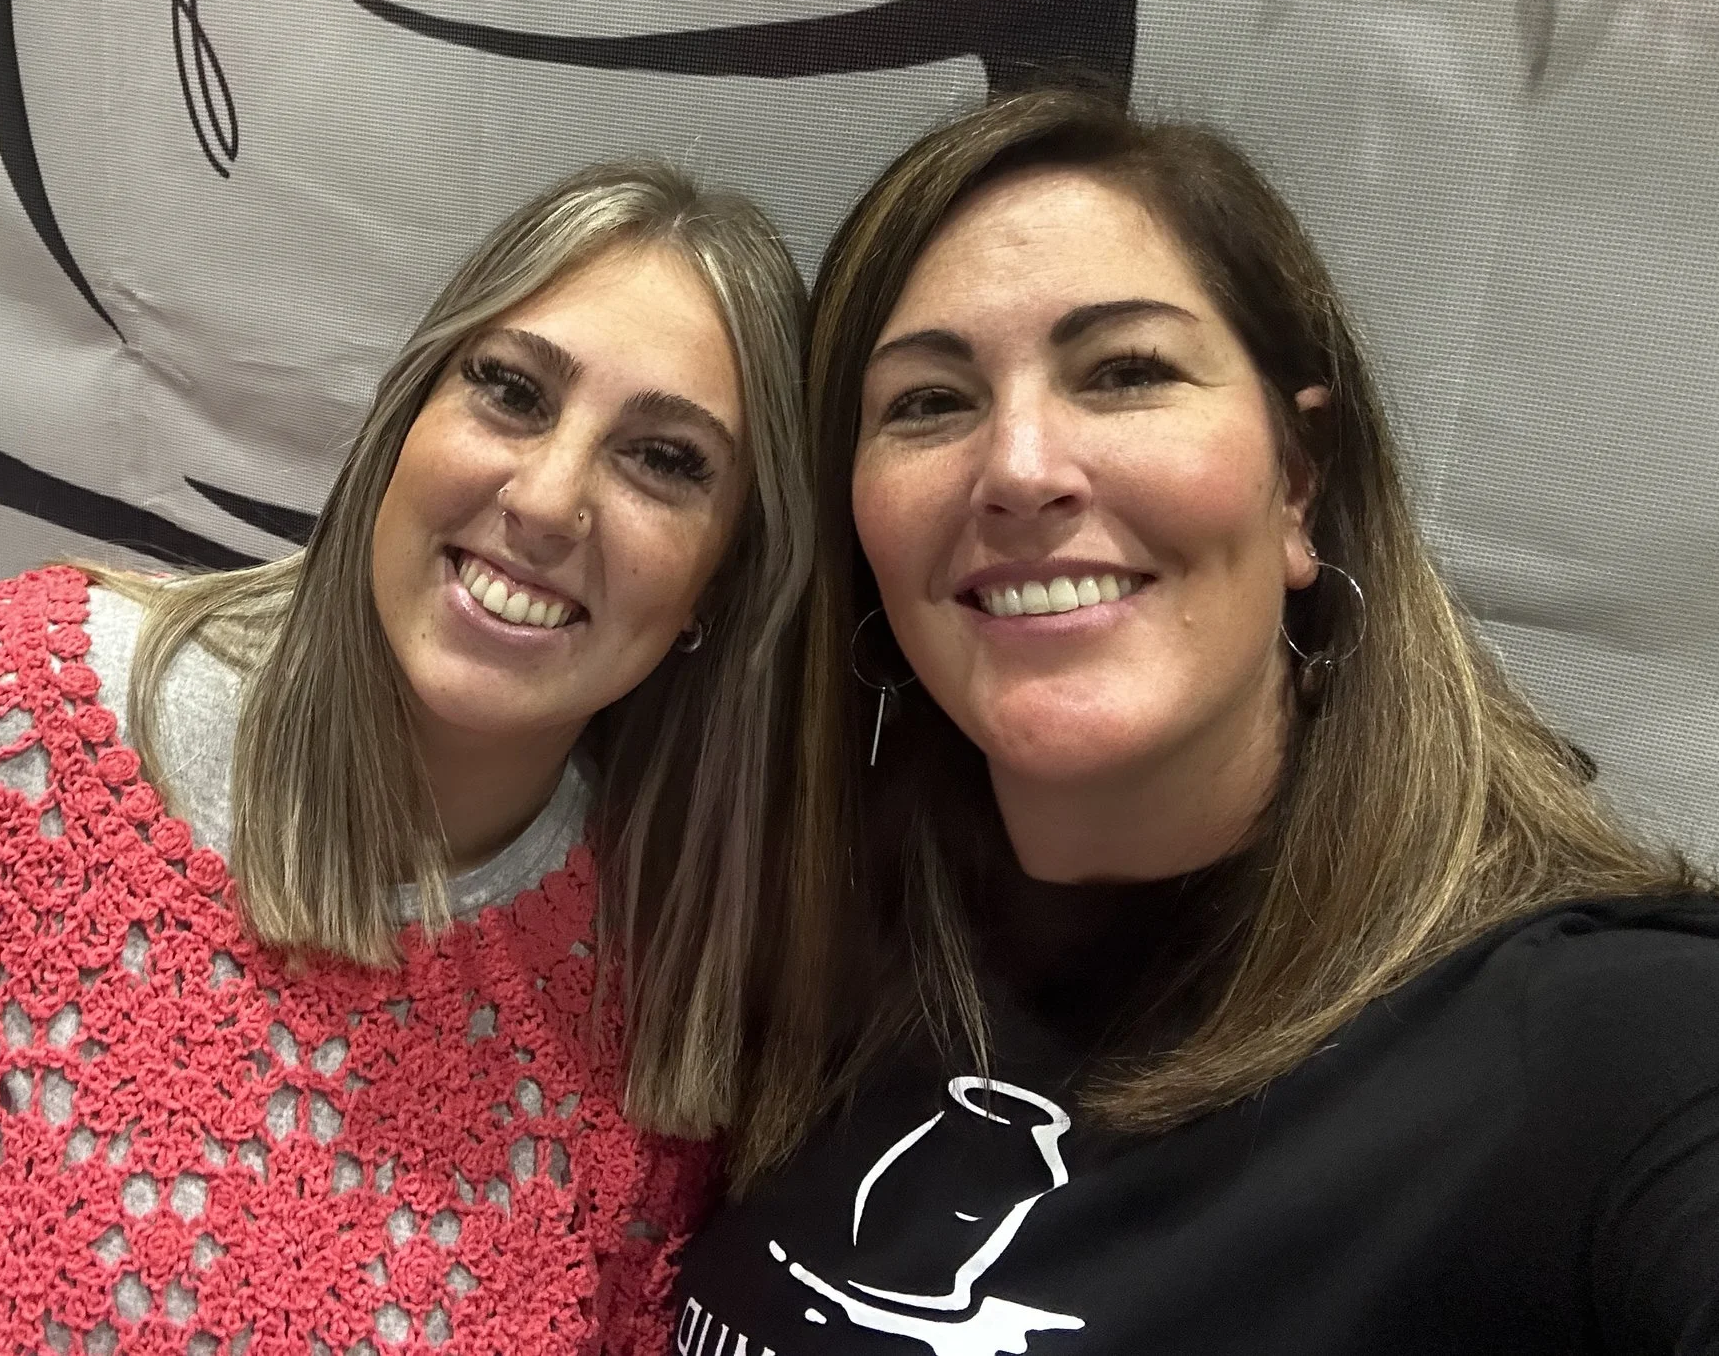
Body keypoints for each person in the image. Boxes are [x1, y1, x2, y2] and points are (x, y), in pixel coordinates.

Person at [0, 159, 813, 1356]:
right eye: (510, 391)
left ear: (724, 581)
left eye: (664, 461)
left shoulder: (659, 986)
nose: (550, 500)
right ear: (404, 422)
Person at [675, 87, 1719, 1354]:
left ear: (1297, 482)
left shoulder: (1604, 1049)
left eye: (1122, 373)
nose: (1017, 468)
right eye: (928, 403)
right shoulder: (804, 963)